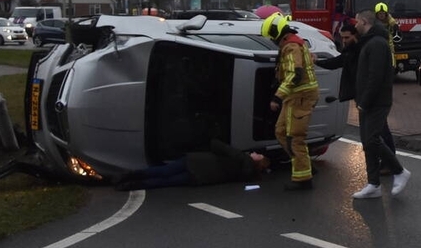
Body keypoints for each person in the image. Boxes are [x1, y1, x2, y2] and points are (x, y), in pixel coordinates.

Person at [350, 7, 409, 199]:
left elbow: (375, 76)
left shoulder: (376, 44)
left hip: (376, 102)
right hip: (368, 101)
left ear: (365, 22)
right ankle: (373, 184)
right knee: (368, 142)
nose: (355, 24)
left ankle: (399, 171)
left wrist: (365, 101)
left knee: (372, 139)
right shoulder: (369, 42)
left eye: (357, 21)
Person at [317, 20, 398, 157]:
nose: (344, 41)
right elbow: (337, 62)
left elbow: (374, 76)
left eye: (347, 37)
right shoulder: (351, 51)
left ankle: (390, 163)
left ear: (355, 36)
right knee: (376, 131)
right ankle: (384, 162)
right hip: (362, 95)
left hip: (371, 97)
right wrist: (317, 62)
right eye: (342, 38)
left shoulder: (364, 49)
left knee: (378, 132)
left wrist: (366, 99)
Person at [264, 12, 321, 189]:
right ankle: (304, 164)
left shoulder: (291, 47)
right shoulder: (297, 42)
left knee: (293, 137)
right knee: (281, 132)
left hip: (300, 97)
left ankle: (303, 180)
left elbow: (294, 75)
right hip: (296, 96)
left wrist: (276, 97)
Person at [113, 141, 269, 190]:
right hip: (200, 177)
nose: (255, 152)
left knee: (162, 171)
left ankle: (127, 175)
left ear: (257, 160)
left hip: (197, 161)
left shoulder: (239, 156)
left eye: (258, 155)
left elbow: (215, 144)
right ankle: (130, 185)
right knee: (165, 182)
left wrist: (240, 153)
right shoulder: (246, 173)